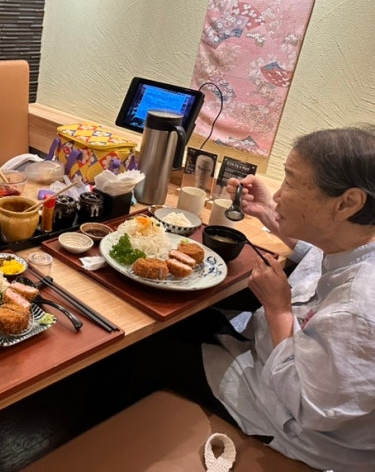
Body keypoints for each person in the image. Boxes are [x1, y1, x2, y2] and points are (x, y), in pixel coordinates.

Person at [122, 125, 375, 471]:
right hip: (269, 353)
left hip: (293, 424)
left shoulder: (359, 309)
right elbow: (321, 251)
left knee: (143, 349)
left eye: (291, 182)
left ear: (347, 203)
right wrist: (270, 213)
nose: (280, 193)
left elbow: (308, 408)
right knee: (186, 317)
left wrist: (277, 310)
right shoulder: (358, 239)